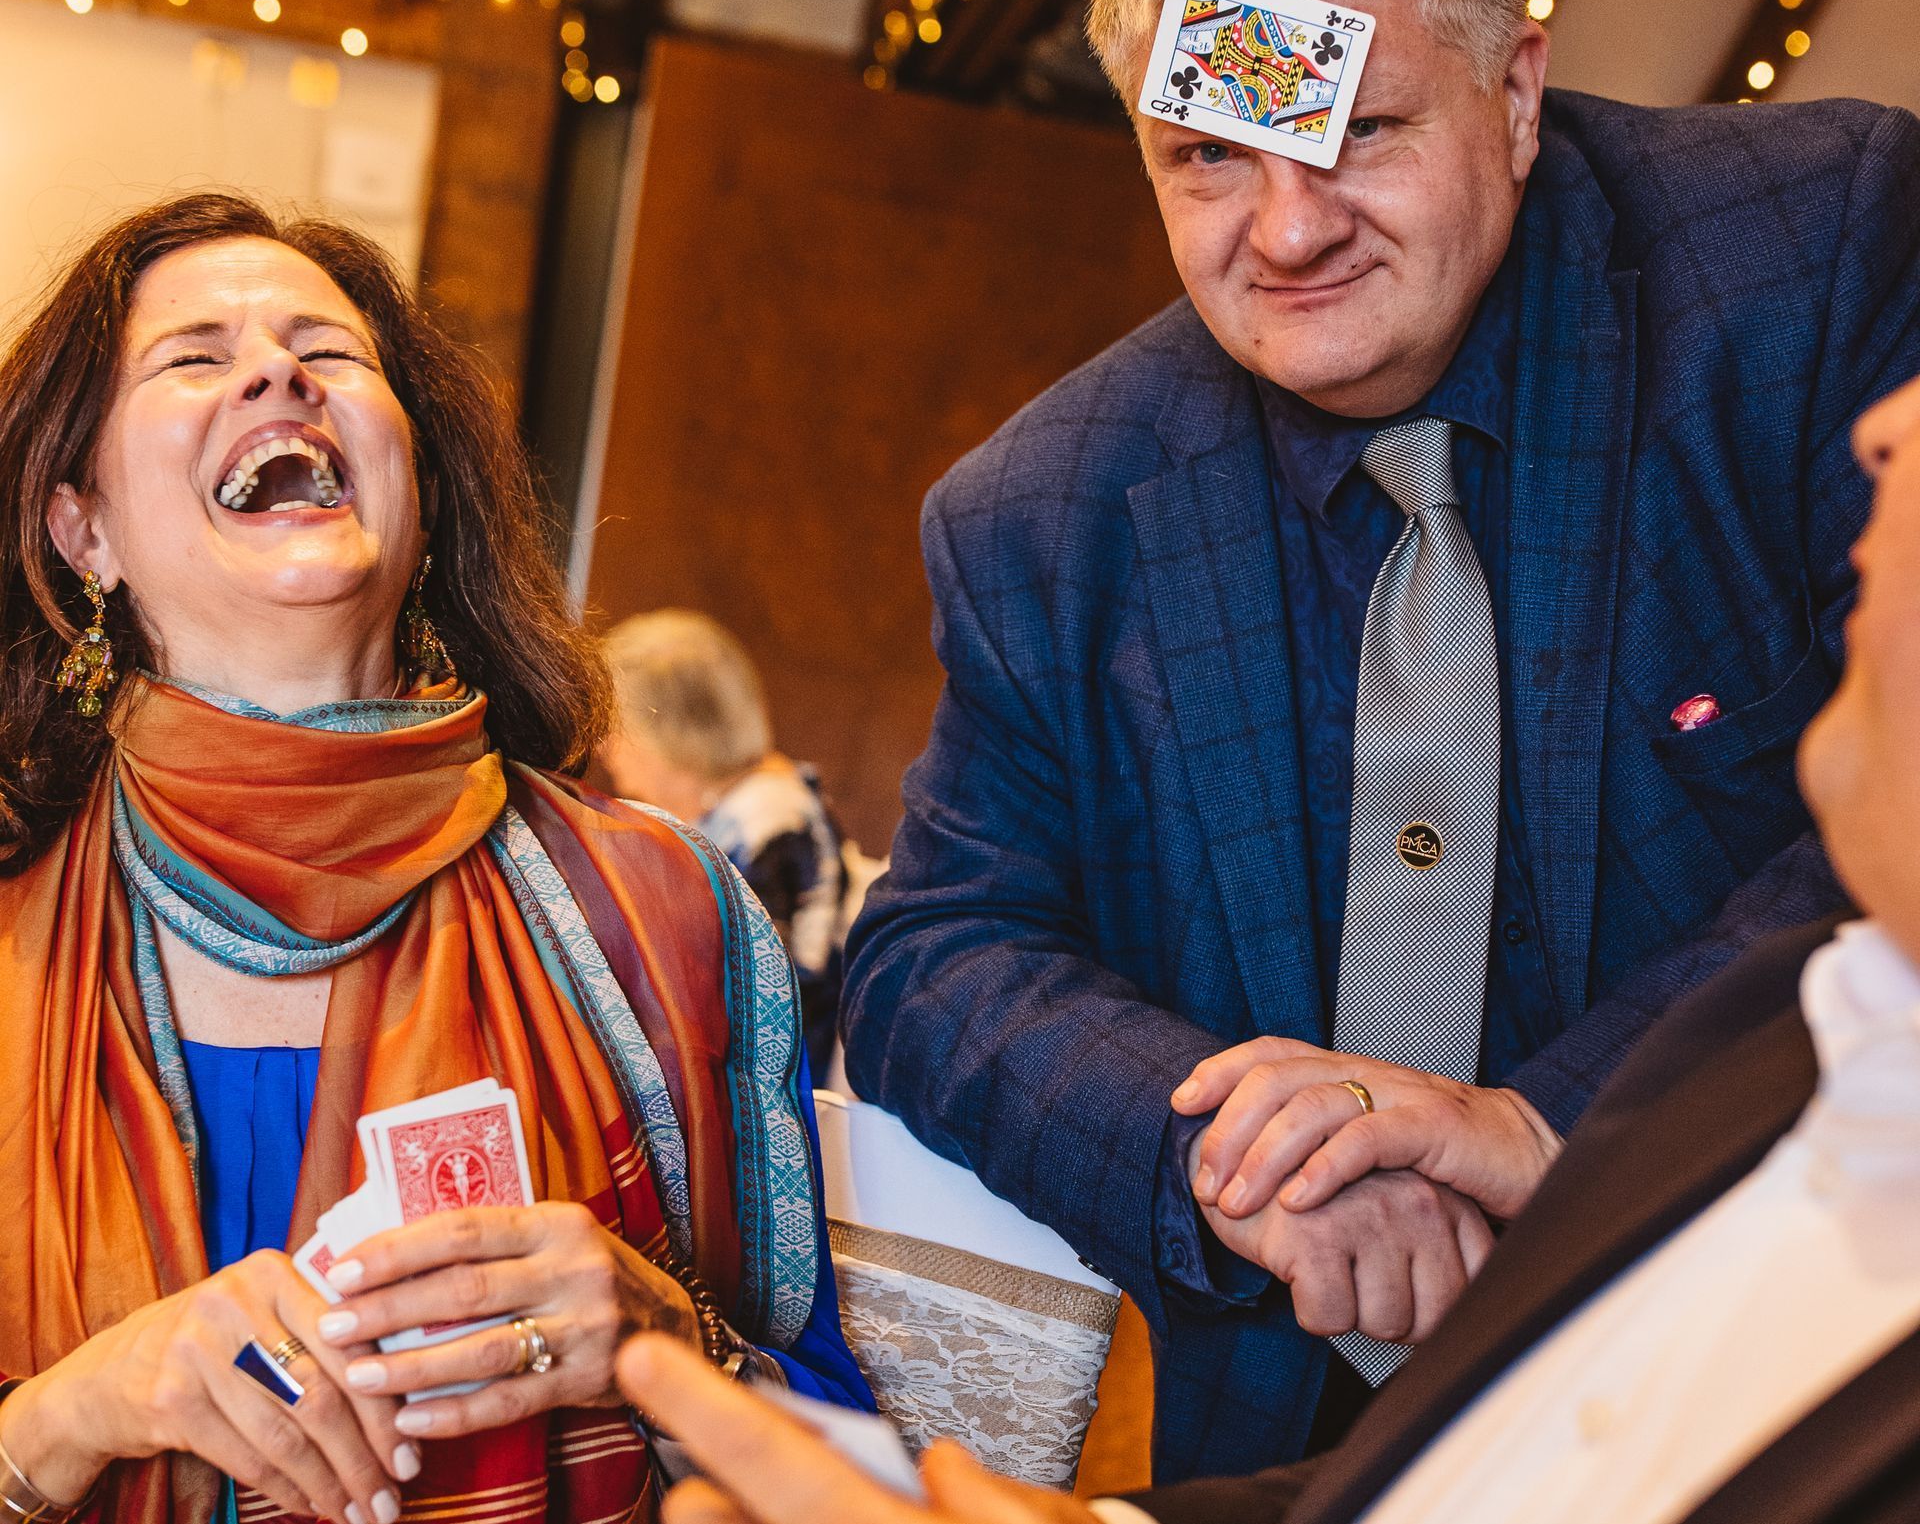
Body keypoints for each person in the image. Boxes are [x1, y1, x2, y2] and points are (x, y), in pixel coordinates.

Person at [840, 0, 1920, 1477]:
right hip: (1283, 1447)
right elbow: (927, 959)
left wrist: (1544, 1120)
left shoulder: (1815, 257)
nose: (1285, 226)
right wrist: (1243, 1154)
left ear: (1517, 86)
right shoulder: (1041, 510)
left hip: (1767, 1364)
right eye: (1207, 153)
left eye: (1359, 129)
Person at [615, 357, 1920, 1524]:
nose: (1888, 429)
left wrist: (1536, 1124)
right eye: (1206, 158)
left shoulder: (1775, 309)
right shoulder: (1781, 1024)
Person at [0, 194, 870, 1524]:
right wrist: (70, 1412)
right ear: (83, 533)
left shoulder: (663, 912)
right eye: (195, 355)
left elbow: (837, 1460)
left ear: (420, 491)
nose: (279, 371)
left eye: (329, 352)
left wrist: (659, 1331)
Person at [599, 610, 856, 1075]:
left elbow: (748, 1005)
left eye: (616, 726)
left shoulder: (767, 822)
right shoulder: (730, 810)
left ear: (673, 731)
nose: (605, 749)